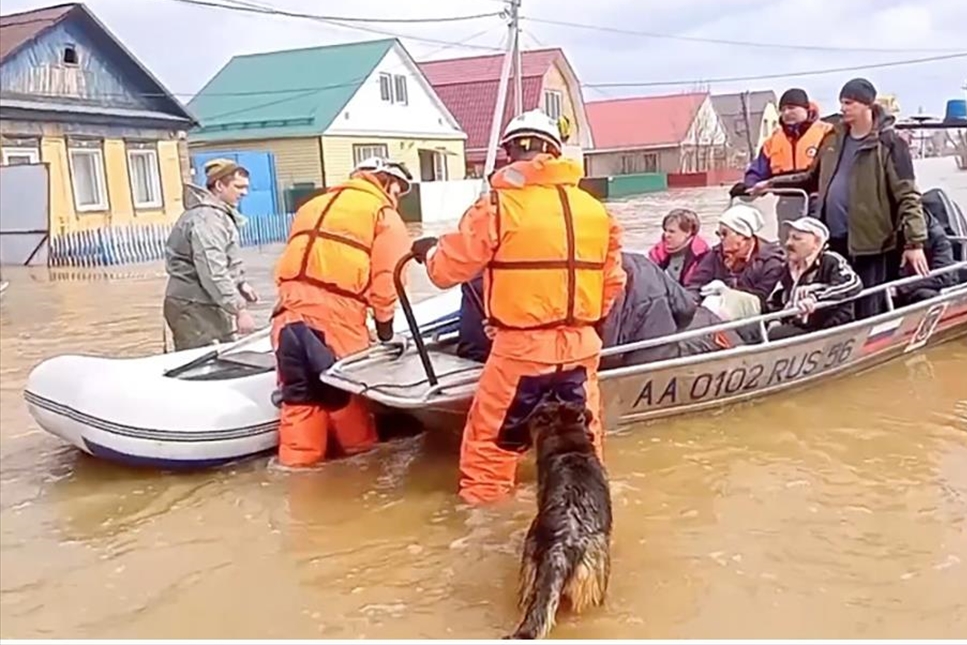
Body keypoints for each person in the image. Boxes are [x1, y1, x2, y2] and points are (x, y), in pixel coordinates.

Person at [410, 109, 627, 506]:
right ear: (556, 153)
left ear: (510, 152)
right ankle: (589, 522)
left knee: (489, 453)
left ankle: (486, 535)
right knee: (584, 452)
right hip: (581, 349)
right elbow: (612, 284)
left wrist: (428, 252)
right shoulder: (597, 211)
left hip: (520, 352)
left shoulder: (498, 206)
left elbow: (446, 270)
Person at [269, 156, 415, 468]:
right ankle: (361, 479)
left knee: (299, 402)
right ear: (388, 183)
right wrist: (386, 332)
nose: (397, 198)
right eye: (399, 191)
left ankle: (298, 476)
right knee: (349, 404)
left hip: (285, 319)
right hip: (337, 324)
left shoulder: (312, 206)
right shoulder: (383, 215)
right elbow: (389, 281)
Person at [457, 253, 739, 370]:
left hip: (587, 354)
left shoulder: (478, 275)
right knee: (710, 329)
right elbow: (685, 309)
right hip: (624, 353)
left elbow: (472, 347)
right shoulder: (634, 264)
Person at [803, 78, 930, 320]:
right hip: (833, 240)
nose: (842, 108)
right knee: (834, 306)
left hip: (873, 243)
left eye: (849, 103)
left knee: (869, 309)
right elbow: (811, 177)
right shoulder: (832, 138)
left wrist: (915, 244)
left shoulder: (891, 144)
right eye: (841, 102)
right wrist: (767, 184)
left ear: (867, 106)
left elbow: (908, 195)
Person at [163, 158, 258, 351]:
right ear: (219, 185)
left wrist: (240, 283)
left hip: (205, 302)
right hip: (193, 305)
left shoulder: (218, 215)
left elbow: (225, 260)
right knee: (203, 364)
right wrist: (239, 309)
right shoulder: (207, 219)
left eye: (246, 187)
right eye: (238, 187)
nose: (244, 193)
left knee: (223, 356)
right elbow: (212, 269)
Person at [728, 88, 834, 241]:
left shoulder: (827, 133)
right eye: (782, 109)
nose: (786, 113)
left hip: (818, 202)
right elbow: (757, 171)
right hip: (786, 201)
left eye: (791, 108)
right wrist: (749, 186)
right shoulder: (773, 140)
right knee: (787, 244)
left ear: (806, 108)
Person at [765, 217, 862, 341]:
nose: (788, 243)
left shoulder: (831, 260)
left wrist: (815, 298)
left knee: (776, 335)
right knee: (755, 328)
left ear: (816, 243)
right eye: (789, 237)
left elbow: (853, 284)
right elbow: (775, 300)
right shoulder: (787, 267)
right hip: (797, 326)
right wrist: (774, 320)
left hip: (829, 329)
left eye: (797, 238)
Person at [685, 204, 786, 315]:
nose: (721, 239)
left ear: (742, 236)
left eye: (725, 234)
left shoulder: (771, 260)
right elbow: (695, 284)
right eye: (719, 234)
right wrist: (691, 302)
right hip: (713, 312)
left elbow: (760, 299)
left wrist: (729, 286)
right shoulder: (716, 254)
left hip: (753, 317)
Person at [893, 208, 957, 307]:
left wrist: (902, 288)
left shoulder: (938, 239)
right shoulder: (895, 237)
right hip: (902, 286)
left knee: (925, 296)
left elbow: (943, 277)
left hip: (932, 287)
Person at [647, 208, 708, 285]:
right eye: (665, 230)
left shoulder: (702, 256)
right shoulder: (656, 253)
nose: (666, 235)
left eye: (672, 231)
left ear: (688, 232)